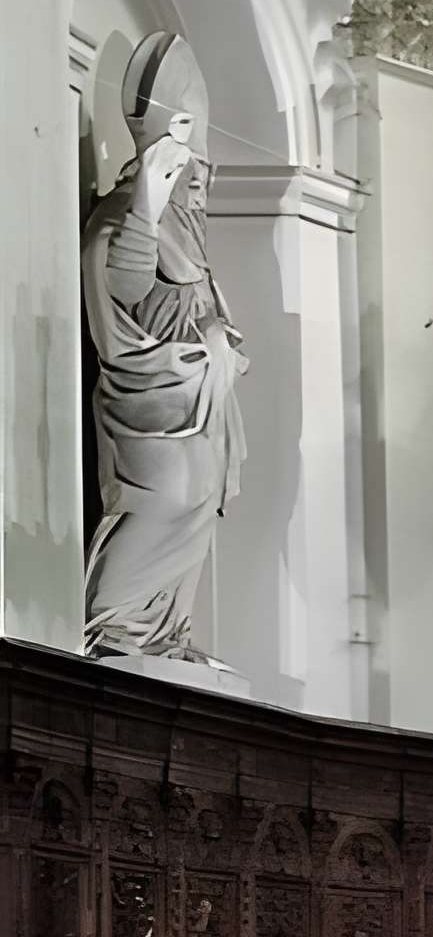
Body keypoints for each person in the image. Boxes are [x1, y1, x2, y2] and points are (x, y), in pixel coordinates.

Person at [82, 34, 247, 662]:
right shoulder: (126, 210)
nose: (199, 178)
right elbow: (119, 288)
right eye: (189, 160)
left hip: (198, 400)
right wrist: (148, 204)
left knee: (198, 501)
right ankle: (115, 630)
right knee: (167, 497)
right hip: (150, 395)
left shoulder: (188, 223)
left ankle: (161, 637)